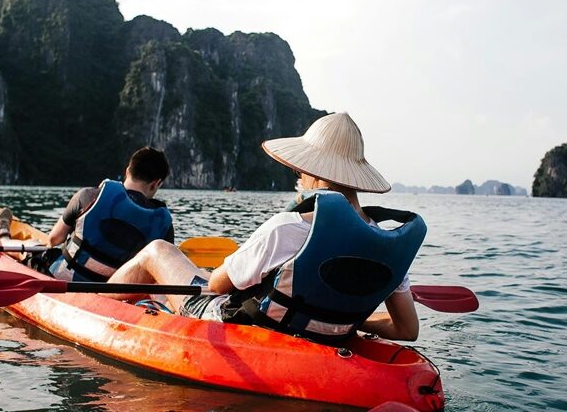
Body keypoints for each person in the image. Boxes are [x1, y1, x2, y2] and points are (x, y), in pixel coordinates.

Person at [106, 113, 426, 344]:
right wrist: (350, 322)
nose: (297, 179)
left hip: (251, 328)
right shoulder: (387, 243)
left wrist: (211, 271)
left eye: (299, 172)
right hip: (329, 334)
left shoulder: (288, 227)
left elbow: (217, 286)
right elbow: (406, 330)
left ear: (312, 173)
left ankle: (91, 302)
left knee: (158, 251)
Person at [0, 147, 175, 282]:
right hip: (111, 294)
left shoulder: (88, 196)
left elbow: (54, 239)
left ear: (128, 171)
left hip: (62, 278)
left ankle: (2, 240)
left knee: (35, 246)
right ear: (156, 184)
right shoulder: (163, 224)